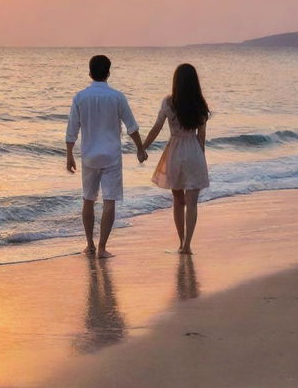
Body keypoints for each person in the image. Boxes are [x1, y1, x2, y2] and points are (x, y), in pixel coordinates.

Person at [66, 55, 147, 258]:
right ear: (108, 73)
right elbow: (132, 126)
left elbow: (72, 130)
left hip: (89, 156)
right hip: (111, 156)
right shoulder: (117, 97)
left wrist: (69, 155)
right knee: (109, 200)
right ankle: (102, 247)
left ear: (90, 73)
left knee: (88, 199)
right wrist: (140, 149)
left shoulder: (80, 97)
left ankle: (89, 245)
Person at [143, 63, 209, 255]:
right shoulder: (200, 104)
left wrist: (143, 147)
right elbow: (201, 135)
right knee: (193, 203)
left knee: (178, 200)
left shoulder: (168, 102)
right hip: (193, 151)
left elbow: (156, 127)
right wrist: (201, 157)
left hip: (175, 151)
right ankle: (188, 244)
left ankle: (181, 243)